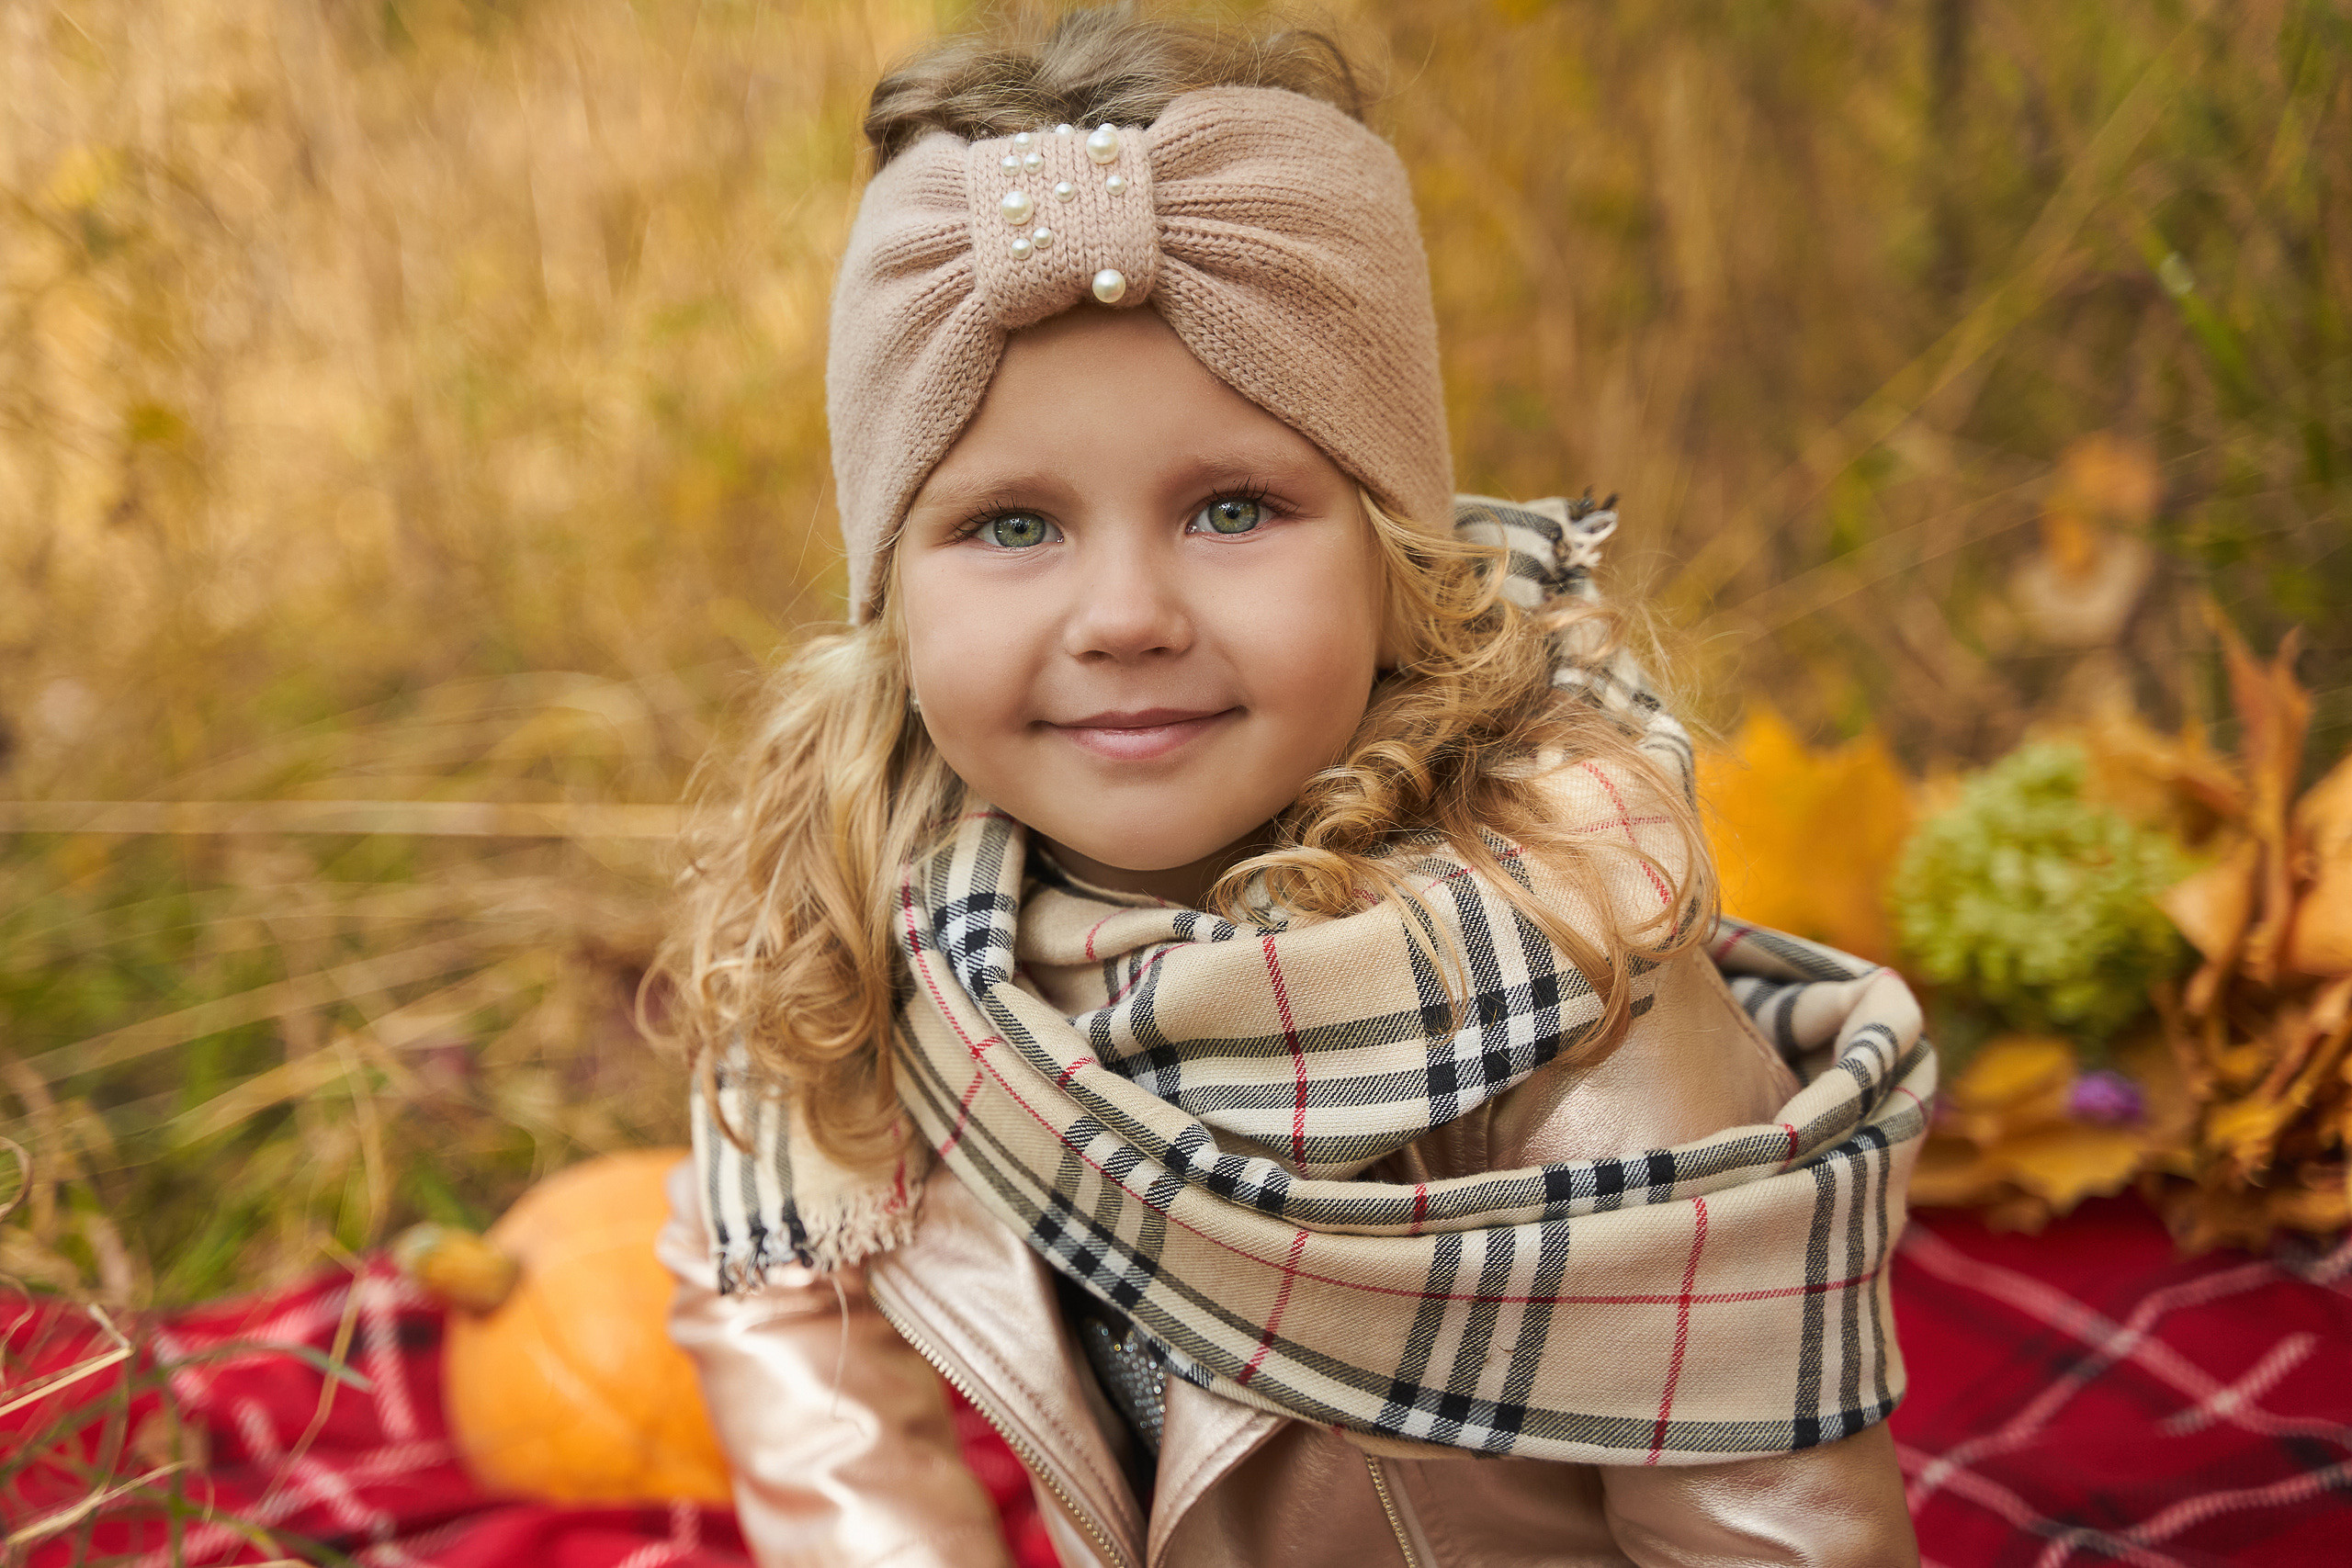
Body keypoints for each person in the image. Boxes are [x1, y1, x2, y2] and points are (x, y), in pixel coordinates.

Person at [652, 10, 1931, 1565]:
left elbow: (1754, 1494)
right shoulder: (878, 910)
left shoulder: (1551, 955)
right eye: (1011, 526)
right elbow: (784, 1301)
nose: (1126, 617)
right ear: (895, 594)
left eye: (1234, 509)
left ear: (1397, 562)